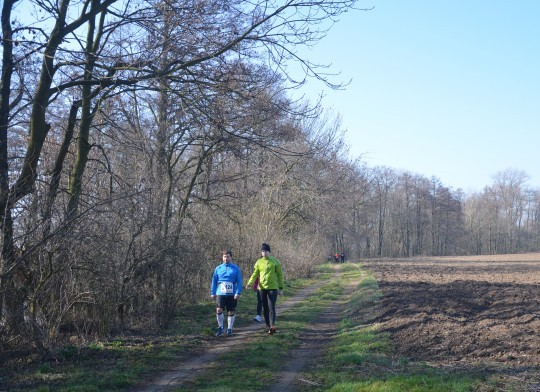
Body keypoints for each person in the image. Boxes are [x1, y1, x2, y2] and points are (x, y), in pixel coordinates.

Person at [246, 243, 284, 335]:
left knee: (272, 307)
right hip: (262, 288)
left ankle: (272, 326)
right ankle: (267, 325)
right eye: (263, 251)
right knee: (265, 307)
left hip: (273, 287)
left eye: (266, 251)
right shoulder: (259, 262)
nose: (264, 253)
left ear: (269, 252)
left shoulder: (275, 261)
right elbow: (255, 274)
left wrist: (281, 287)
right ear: (261, 252)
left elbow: (280, 275)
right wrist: (249, 283)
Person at [210, 250, 243, 337]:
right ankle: (220, 328)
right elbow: (214, 281)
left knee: (231, 311)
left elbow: (239, 281)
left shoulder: (236, 268)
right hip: (220, 292)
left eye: (228, 256)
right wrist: (212, 292)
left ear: (231, 257)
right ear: (222, 257)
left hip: (232, 293)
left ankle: (229, 329)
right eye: (224, 256)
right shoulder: (218, 268)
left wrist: (238, 292)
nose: (226, 258)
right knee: (219, 309)